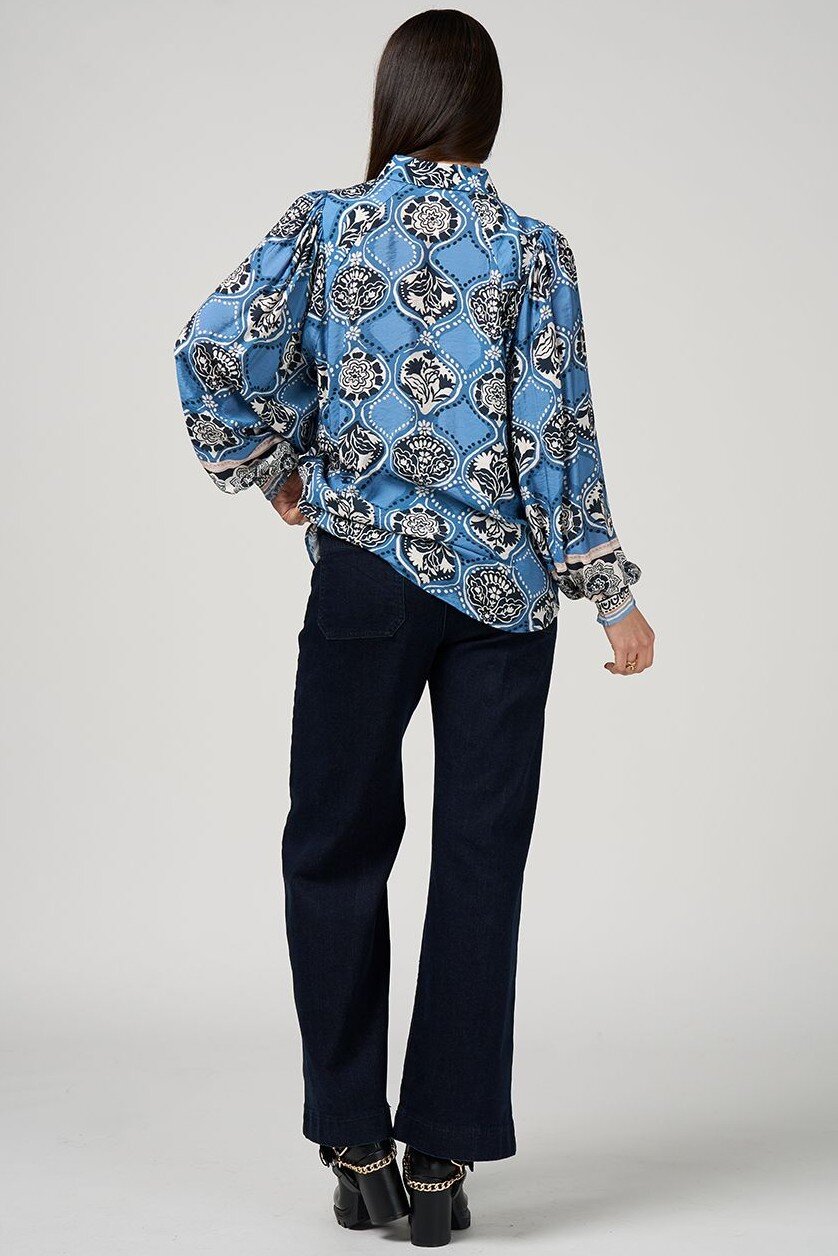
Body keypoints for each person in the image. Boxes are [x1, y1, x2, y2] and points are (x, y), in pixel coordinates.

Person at [173, 7, 654, 1246]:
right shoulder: (533, 252)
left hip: (365, 581)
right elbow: (556, 434)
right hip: (504, 600)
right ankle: (440, 1161)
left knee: (335, 844)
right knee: (480, 863)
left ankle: (354, 1141)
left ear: (394, 101)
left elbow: (212, 348)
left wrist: (275, 468)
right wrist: (608, 590)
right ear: (486, 112)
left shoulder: (326, 225)